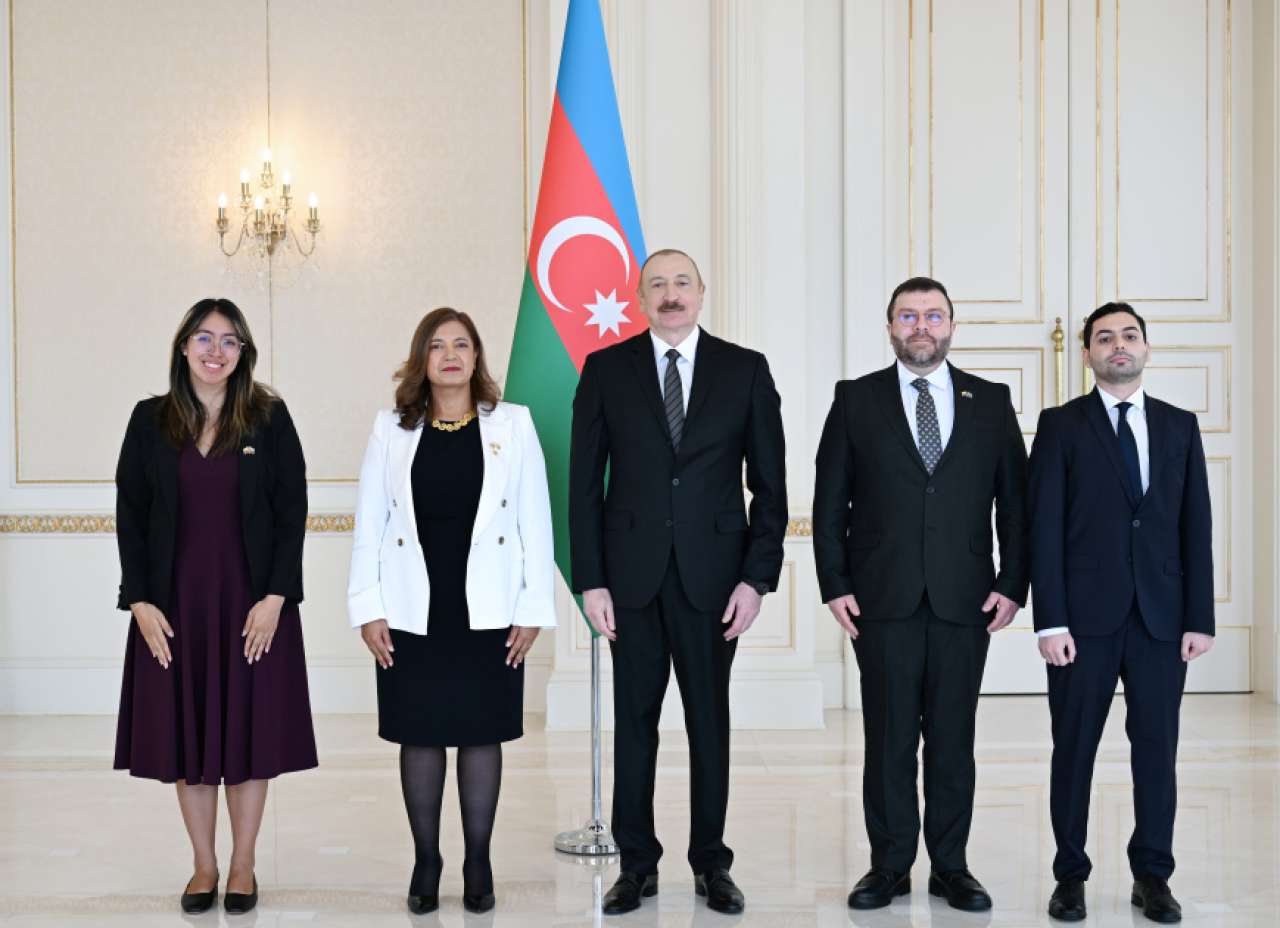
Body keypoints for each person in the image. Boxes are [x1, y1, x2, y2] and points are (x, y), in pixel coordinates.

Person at [569, 248, 787, 915]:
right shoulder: (606, 369)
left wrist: (755, 581)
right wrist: (591, 582)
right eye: (658, 284)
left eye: (682, 283)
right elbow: (583, 485)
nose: (671, 294)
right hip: (629, 583)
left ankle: (711, 864)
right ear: (640, 298)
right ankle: (636, 866)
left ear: (702, 292)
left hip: (715, 585)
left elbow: (770, 488)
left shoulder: (745, 370)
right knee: (635, 726)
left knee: (709, 725)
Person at [812, 276, 1029, 912]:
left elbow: (1016, 505)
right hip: (880, 600)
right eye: (908, 316)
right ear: (890, 328)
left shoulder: (991, 401)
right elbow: (830, 502)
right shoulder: (855, 399)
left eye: (934, 315)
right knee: (889, 739)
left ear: (952, 326)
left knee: (953, 740)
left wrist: (1012, 583)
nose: (921, 326)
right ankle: (889, 865)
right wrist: (835, 584)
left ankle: (951, 867)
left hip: (967, 599)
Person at [347, 307, 556, 915]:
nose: (450, 355)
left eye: (461, 344)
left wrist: (533, 606)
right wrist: (367, 608)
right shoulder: (391, 429)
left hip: (489, 610)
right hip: (411, 608)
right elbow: (370, 524)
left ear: (476, 356)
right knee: (419, 733)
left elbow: (535, 519)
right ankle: (426, 859)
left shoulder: (513, 424)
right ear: (422, 359)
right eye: (437, 345)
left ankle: (479, 860)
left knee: (481, 732)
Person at [113, 297, 316, 915]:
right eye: (204, 338)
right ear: (183, 346)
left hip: (254, 608)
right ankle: (204, 864)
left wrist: (276, 598)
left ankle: (244, 864)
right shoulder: (150, 420)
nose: (215, 351)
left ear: (243, 353)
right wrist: (140, 600)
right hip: (175, 610)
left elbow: (292, 511)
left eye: (229, 341)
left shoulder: (268, 418)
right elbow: (131, 516)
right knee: (189, 740)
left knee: (250, 738)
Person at [1029, 302, 1214, 924]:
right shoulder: (1060, 426)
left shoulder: (1180, 427)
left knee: (1157, 752)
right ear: (1087, 354)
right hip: (1082, 623)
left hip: (1162, 621)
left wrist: (1199, 617)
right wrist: (1050, 620)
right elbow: (1044, 527)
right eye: (1105, 338)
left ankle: (1152, 875)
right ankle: (1070, 875)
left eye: (1129, 335)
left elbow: (1195, 527)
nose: (1118, 345)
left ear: (1146, 349)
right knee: (1073, 749)